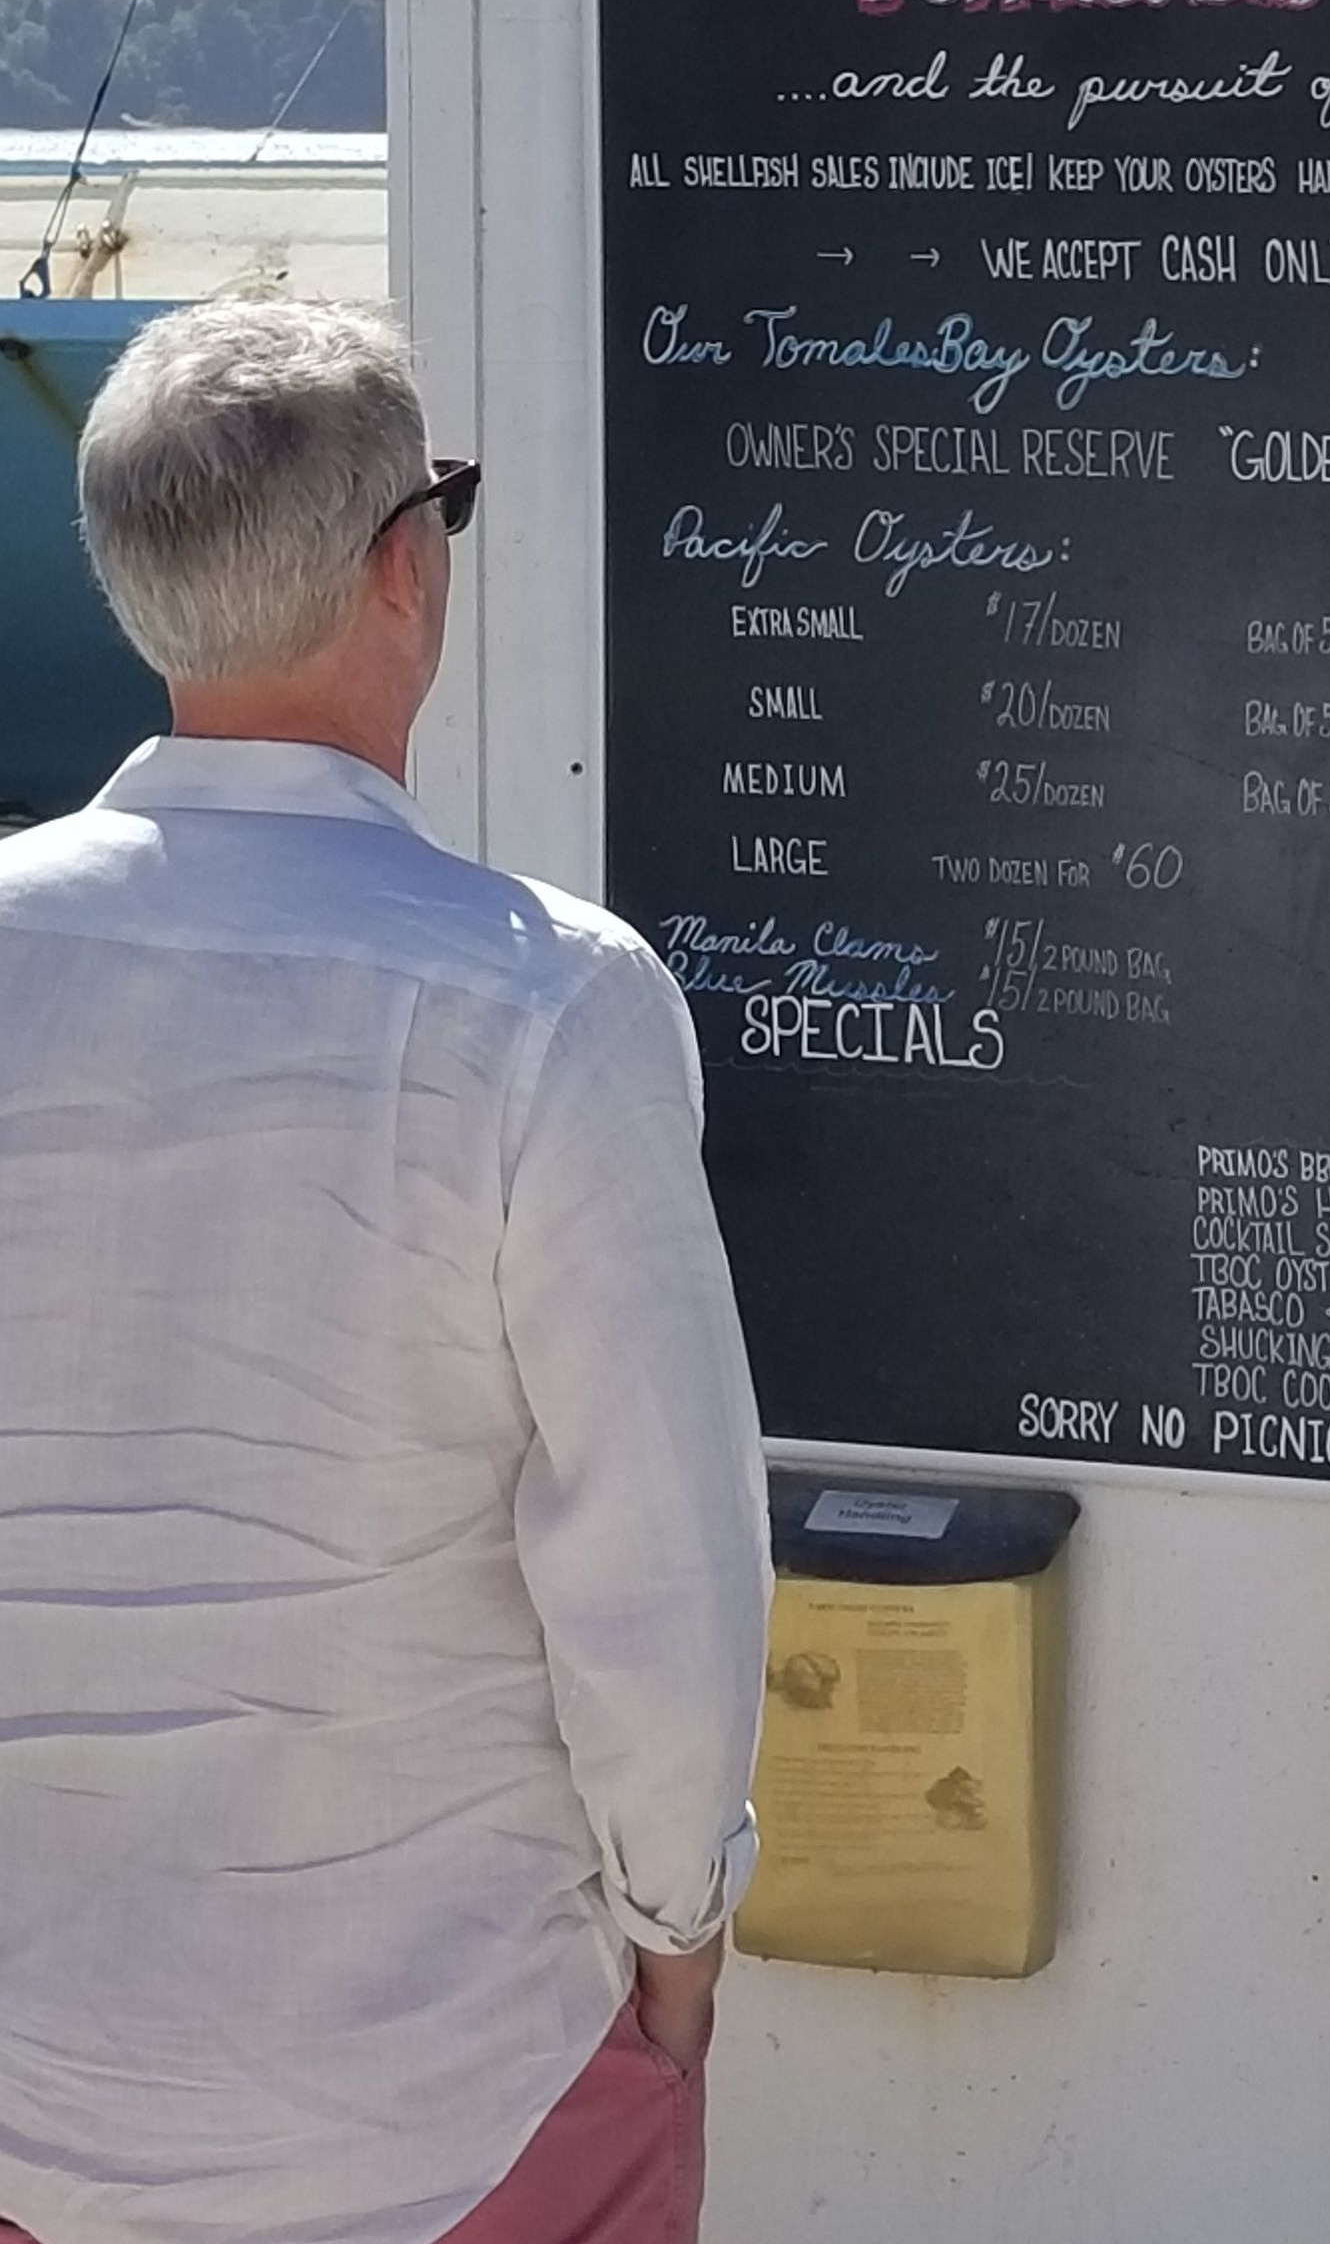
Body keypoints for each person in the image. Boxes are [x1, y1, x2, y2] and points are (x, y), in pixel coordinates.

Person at [0, 296, 771, 2244]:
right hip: (460, 2095)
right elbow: (660, 1569)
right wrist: (677, 1936)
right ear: (404, 567)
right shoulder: (546, 1003)